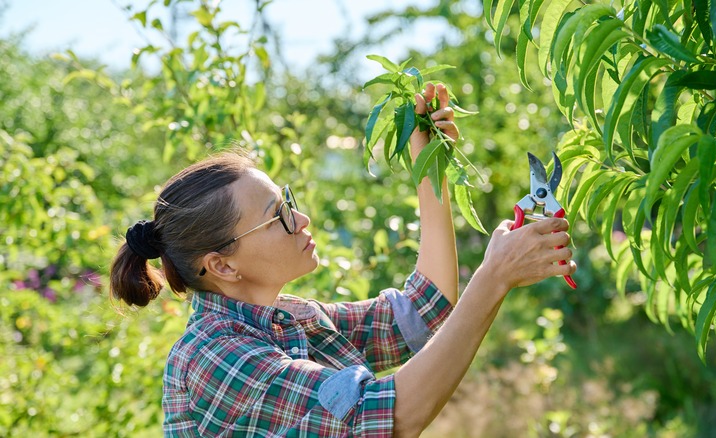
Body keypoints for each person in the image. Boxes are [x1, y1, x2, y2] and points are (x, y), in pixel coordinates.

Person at [110, 83, 576, 437]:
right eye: (279, 216)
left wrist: (429, 167)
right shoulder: (213, 358)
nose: (303, 217)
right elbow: (386, 416)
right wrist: (493, 277)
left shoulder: (291, 319)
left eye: (288, 201)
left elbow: (423, 310)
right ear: (224, 266)